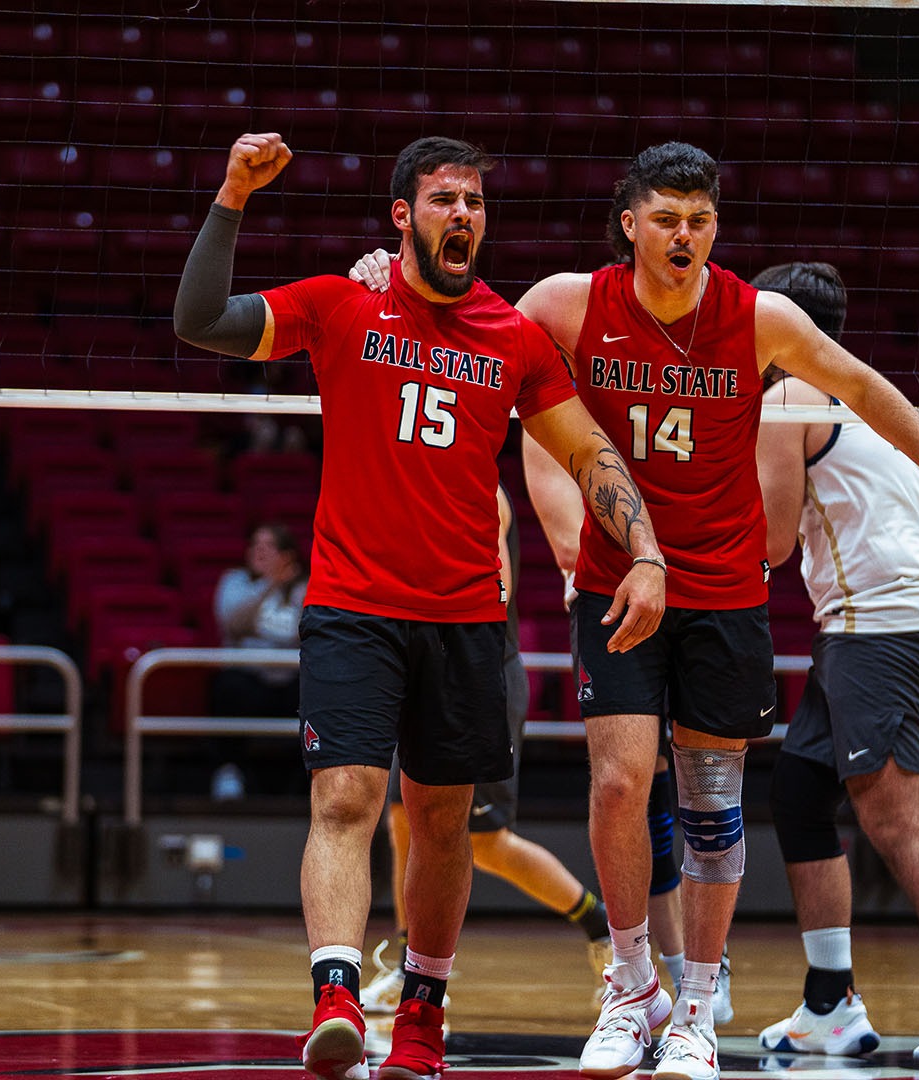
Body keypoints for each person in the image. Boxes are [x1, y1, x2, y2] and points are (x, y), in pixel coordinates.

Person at [359, 142, 919, 1080]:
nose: (687, 236)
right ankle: (634, 984)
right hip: (616, 583)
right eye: (669, 219)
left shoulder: (759, 315)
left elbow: (868, 390)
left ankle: (696, 1009)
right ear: (631, 225)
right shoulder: (569, 303)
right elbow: (471, 339)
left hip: (723, 590)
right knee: (617, 784)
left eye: (702, 220)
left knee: (711, 804)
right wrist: (381, 284)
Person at [174, 132, 668, 1080]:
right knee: (347, 798)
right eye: (445, 200)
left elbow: (589, 454)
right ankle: (335, 995)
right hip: (354, 606)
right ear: (403, 215)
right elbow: (200, 318)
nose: (464, 216)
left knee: (444, 823)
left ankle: (424, 1020)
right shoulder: (339, 303)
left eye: (476, 202)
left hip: (465, 622)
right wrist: (234, 191)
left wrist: (644, 549)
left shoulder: (514, 338)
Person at [750, 261, 919, 1065]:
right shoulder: (872, 401)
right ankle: (830, 1003)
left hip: (880, 627)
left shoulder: (787, 399)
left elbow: (771, 544)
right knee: (800, 794)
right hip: (883, 623)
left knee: (894, 818)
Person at [364, 487, 615, 1015]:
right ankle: (413, 965)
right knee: (401, 815)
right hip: (425, 673)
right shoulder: (413, 486)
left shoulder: (483, 495)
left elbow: (494, 591)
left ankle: (600, 928)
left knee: (487, 842)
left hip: (480, 678)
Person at [210, 523, 308, 718]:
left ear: (287, 556)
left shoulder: (303, 589)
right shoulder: (234, 581)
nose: (259, 550)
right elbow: (234, 624)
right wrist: (270, 584)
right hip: (246, 676)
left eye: (269, 545)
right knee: (227, 687)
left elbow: (302, 632)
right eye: (255, 544)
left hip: (289, 679)